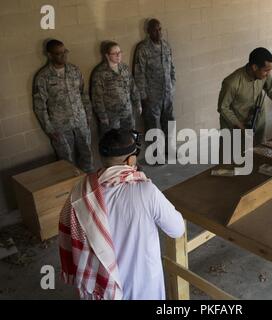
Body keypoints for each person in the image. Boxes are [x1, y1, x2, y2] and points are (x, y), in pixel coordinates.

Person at [59, 129, 185, 300]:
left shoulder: (81, 191)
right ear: (131, 160)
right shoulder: (146, 191)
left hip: (100, 289)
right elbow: (177, 229)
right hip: (143, 286)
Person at [33, 39, 94, 173]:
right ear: (49, 55)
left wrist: (88, 116)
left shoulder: (74, 70)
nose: (63, 55)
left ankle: (88, 185)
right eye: (58, 53)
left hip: (81, 121)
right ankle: (71, 187)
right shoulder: (43, 77)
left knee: (87, 154)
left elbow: (83, 94)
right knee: (66, 160)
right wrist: (49, 128)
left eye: (65, 52)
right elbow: (40, 106)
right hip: (60, 126)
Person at [134, 19, 176, 148]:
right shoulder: (143, 49)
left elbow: (171, 67)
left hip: (167, 94)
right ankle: (157, 155)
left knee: (169, 123)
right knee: (154, 126)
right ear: (148, 31)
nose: (158, 32)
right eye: (154, 30)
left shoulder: (166, 45)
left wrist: (172, 84)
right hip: (152, 96)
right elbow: (139, 73)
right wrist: (143, 95)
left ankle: (170, 148)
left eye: (159, 29)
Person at [91, 41, 142, 134]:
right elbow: (97, 98)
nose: (118, 55)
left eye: (120, 52)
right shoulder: (100, 73)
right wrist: (103, 116)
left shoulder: (125, 68)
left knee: (131, 139)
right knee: (115, 143)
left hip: (127, 113)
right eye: (115, 53)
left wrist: (138, 103)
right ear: (107, 55)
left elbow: (133, 87)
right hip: (112, 117)